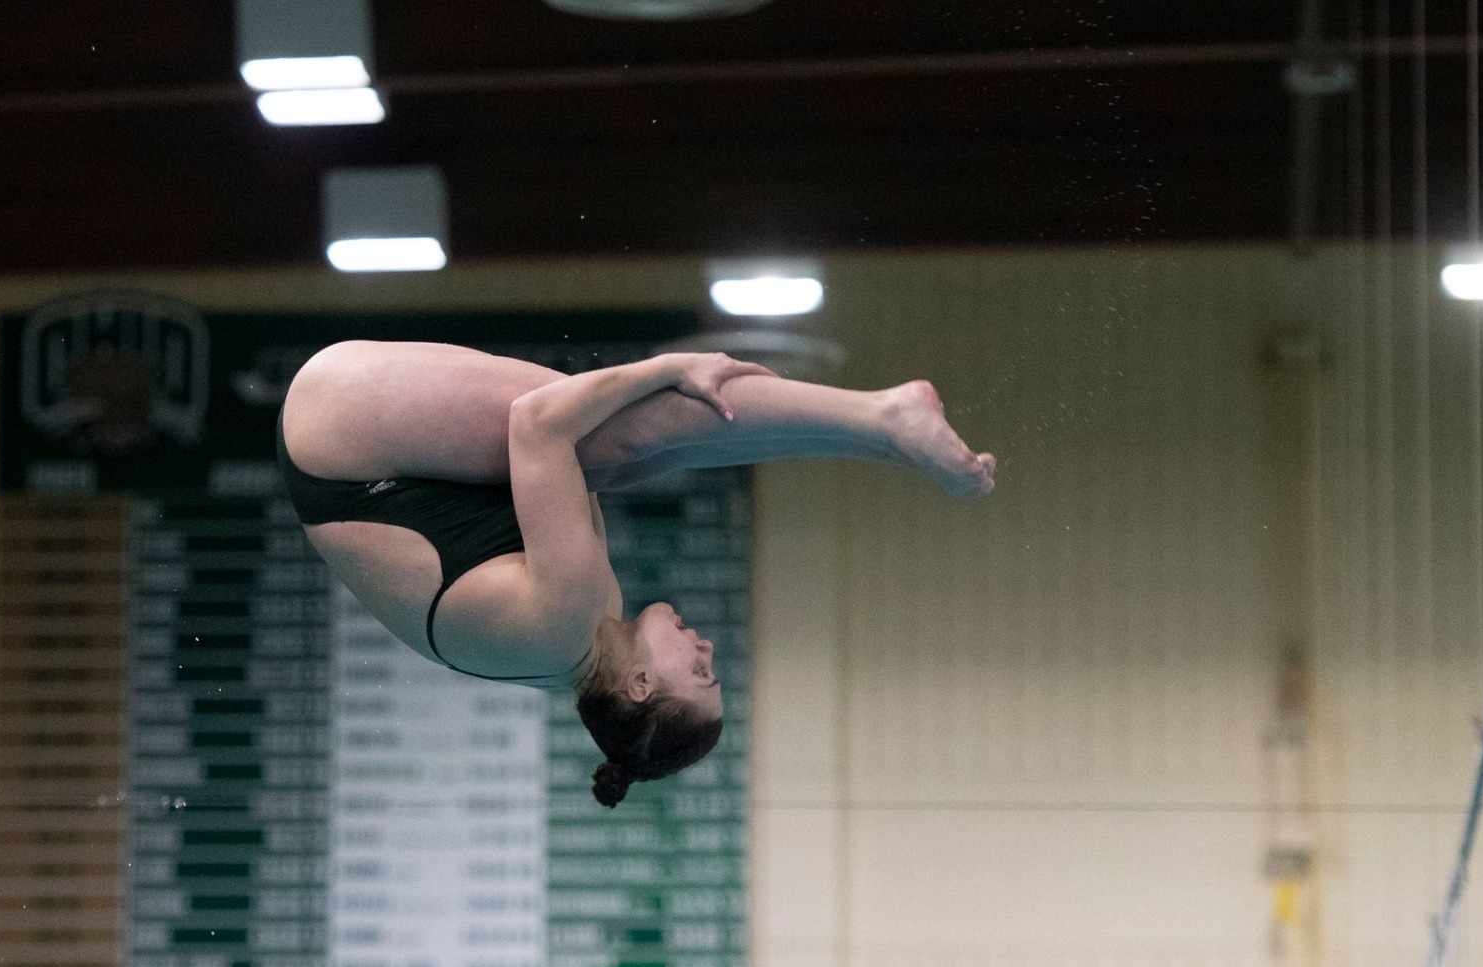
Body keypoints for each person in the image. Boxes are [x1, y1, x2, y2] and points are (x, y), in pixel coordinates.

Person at [277, 340, 995, 808]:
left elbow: (539, 422)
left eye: (703, 674)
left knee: (631, 430)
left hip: (344, 433)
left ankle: (884, 417)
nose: (709, 651)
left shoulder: (565, 621)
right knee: (628, 455)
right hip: (370, 471)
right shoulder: (579, 645)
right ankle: (879, 440)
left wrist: (669, 367)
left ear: (642, 685)